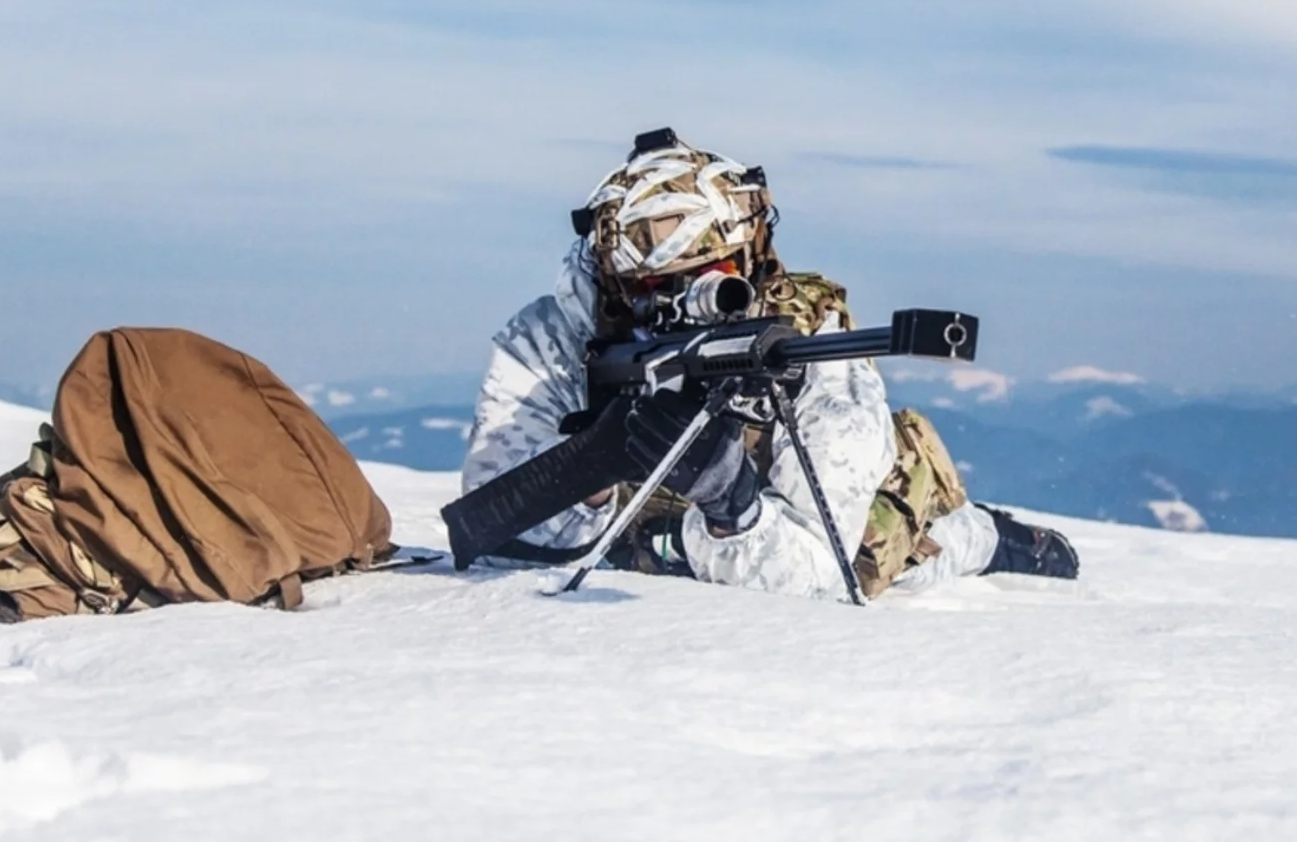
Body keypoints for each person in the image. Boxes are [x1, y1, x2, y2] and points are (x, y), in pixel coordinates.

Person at [456, 130, 1078, 601]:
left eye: (712, 280)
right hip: (656, 544)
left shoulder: (809, 340)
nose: (679, 305)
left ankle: (986, 535)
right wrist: (589, 471)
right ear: (616, 285)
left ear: (750, 257)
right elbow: (493, 544)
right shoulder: (551, 341)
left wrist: (732, 506)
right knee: (644, 550)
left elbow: (822, 582)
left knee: (884, 561)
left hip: (819, 528)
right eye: (652, 289)